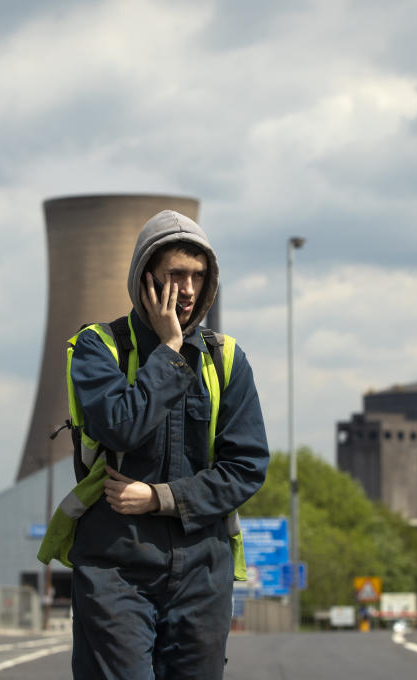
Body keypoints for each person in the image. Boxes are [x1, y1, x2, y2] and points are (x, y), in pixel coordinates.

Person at [67, 209, 270, 679]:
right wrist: (170, 351)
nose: (189, 289)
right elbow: (120, 427)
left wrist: (162, 498)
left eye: (199, 276)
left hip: (202, 571)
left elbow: (247, 467)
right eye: (176, 275)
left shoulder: (226, 360)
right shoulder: (97, 349)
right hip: (115, 567)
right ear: (145, 278)